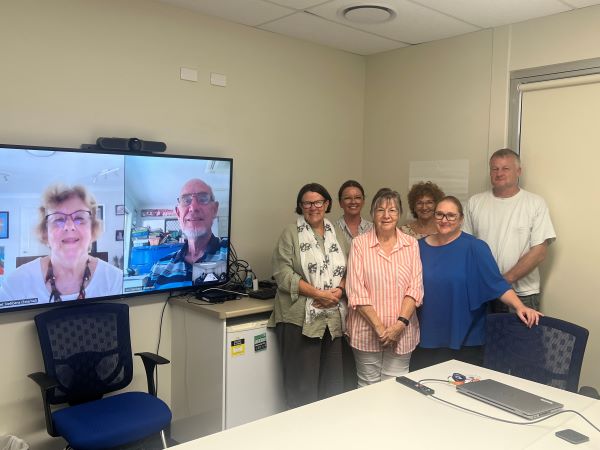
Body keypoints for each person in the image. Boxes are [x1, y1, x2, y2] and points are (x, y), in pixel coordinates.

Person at [410, 196, 542, 371]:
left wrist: (519, 306)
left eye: (451, 215)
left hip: (465, 336)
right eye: (440, 214)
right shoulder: (417, 248)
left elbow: (496, 283)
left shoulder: (475, 247)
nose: (444, 220)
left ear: (461, 219)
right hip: (427, 335)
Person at [268, 183, 349, 408]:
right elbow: (282, 274)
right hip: (299, 320)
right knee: (301, 388)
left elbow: (350, 268)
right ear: (300, 206)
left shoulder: (338, 234)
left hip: (332, 321)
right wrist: (318, 293)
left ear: (327, 204)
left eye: (318, 202)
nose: (313, 207)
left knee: (332, 386)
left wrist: (339, 291)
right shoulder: (290, 233)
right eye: (307, 203)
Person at [346, 188, 423, 386]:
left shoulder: (411, 244)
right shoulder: (359, 244)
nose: (386, 215)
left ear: (399, 214)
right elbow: (356, 291)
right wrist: (381, 329)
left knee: (396, 387)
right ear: (372, 214)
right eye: (380, 210)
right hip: (366, 331)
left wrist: (398, 326)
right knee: (367, 388)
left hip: (403, 332)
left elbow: (415, 288)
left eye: (392, 210)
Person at [463, 149, 556, 311]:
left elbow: (539, 252)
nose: (499, 173)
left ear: (518, 171)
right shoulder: (474, 203)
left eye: (506, 168)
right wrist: (488, 284)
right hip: (483, 291)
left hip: (523, 293)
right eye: (494, 169)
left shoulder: (535, 203)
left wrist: (502, 282)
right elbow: (465, 246)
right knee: (483, 336)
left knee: (520, 337)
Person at [0, 184, 122, 306]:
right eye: (58, 219)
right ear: (45, 231)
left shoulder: (115, 280)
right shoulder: (15, 283)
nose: (69, 226)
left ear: (93, 228)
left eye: (79, 218)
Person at [145, 178, 225, 289]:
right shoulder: (158, 268)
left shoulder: (232, 255)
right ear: (178, 213)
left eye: (202, 199)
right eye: (186, 201)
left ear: (214, 209)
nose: (193, 207)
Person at [335, 180, 372, 245]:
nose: (353, 202)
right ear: (340, 202)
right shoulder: (332, 229)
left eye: (357, 198)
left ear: (363, 201)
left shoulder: (372, 229)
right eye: (347, 198)